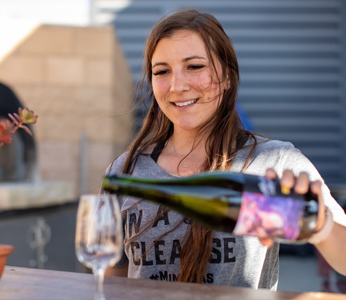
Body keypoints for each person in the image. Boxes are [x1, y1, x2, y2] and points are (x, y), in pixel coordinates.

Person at [104, 9, 346, 290]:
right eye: (162, 71)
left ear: (228, 77)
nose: (177, 85)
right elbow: (113, 283)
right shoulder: (126, 170)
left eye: (194, 67)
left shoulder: (275, 163)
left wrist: (321, 228)